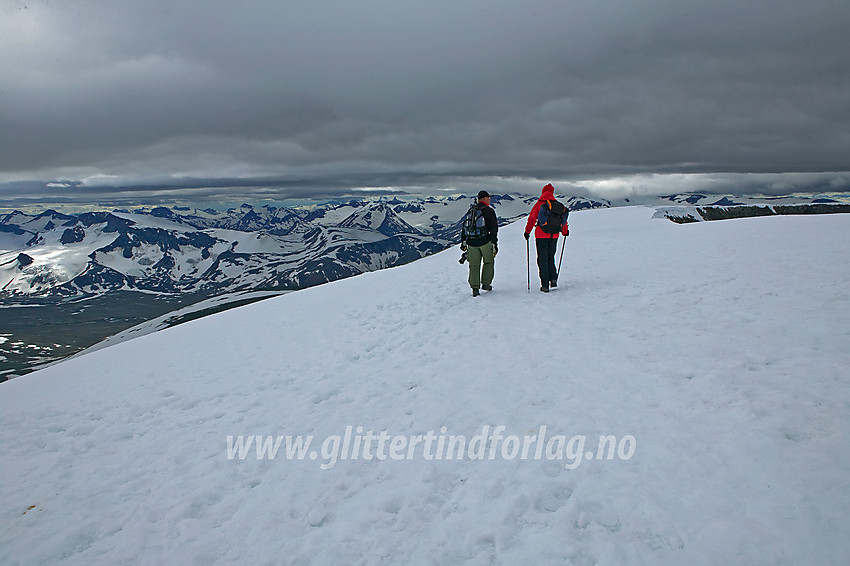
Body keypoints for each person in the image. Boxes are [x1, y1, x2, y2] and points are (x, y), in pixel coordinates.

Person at [524, 183, 569, 292]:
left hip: (541, 235)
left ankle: (545, 284)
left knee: (542, 259)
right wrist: (565, 232)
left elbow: (532, 219)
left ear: (543, 192)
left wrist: (527, 231)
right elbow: (563, 221)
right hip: (554, 235)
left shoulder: (540, 204)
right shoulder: (557, 205)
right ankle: (553, 279)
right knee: (551, 257)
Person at [460, 190, 499, 297]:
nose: (490, 199)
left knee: (474, 265)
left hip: (471, 243)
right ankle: (486, 284)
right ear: (485, 198)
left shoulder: (471, 211)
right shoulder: (489, 211)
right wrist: (494, 243)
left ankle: (475, 288)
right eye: (489, 197)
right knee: (488, 262)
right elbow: (494, 229)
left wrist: (464, 242)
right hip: (485, 242)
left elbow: (464, 227)